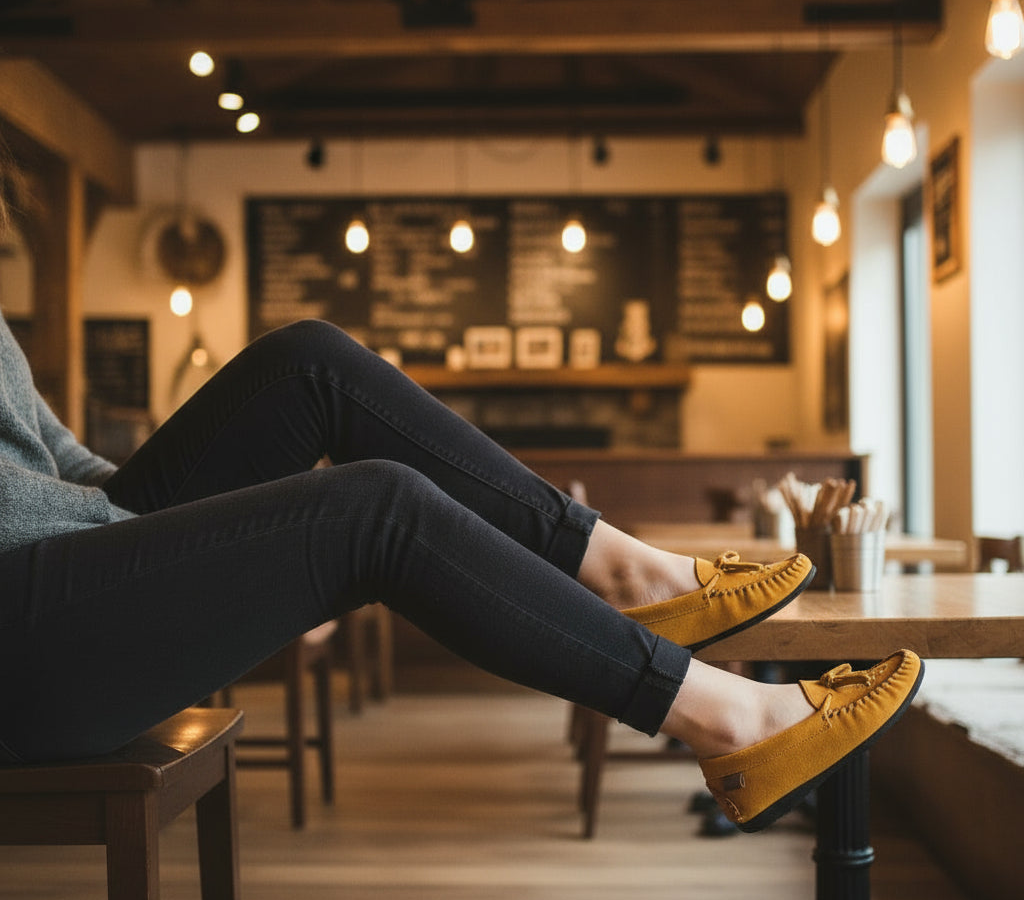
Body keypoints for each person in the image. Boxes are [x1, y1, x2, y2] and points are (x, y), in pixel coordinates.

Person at [0, 306, 922, 834]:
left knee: (311, 362)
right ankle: (730, 720)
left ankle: (625, 574)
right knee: (373, 506)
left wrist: (133, 518)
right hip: (22, 626)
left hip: (73, 548)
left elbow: (56, 458)